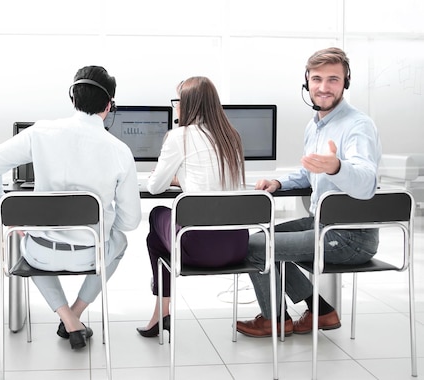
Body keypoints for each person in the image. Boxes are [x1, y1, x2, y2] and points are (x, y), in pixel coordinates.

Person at [0, 65, 141, 350]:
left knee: (27, 245)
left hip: (41, 253)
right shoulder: (119, 151)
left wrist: (8, 213)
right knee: (120, 241)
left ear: (72, 98)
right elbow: (130, 221)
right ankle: (74, 314)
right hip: (91, 256)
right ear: (109, 106)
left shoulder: (41, 132)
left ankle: (68, 317)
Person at [236, 47, 382, 337]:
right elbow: (308, 171)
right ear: (307, 82)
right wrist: (279, 183)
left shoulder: (357, 126)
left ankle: (274, 319)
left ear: (345, 82)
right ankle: (322, 311)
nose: (323, 87)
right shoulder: (315, 125)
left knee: (256, 248)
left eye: (333, 79)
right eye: (317, 79)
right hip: (323, 224)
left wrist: (337, 166)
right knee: (255, 239)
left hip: (350, 236)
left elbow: (366, 182)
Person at [137, 76, 249, 337]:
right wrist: (183, 177)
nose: (176, 106)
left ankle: (162, 311)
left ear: (188, 104)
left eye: (178, 101)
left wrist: (173, 177)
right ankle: (159, 314)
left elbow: (155, 186)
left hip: (199, 249)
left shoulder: (180, 137)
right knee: (164, 228)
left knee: (156, 219)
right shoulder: (232, 137)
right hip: (236, 247)